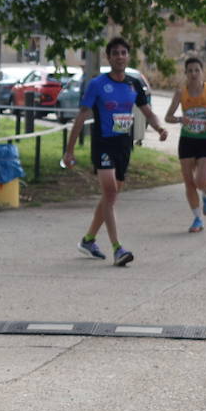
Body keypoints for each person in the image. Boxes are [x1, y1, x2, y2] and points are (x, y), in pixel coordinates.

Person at [61, 36, 169, 266]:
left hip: (123, 146)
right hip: (103, 144)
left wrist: (159, 127)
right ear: (108, 57)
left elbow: (147, 111)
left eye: (123, 52)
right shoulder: (97, 84)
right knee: (110, 193)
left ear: (127, 56)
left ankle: (88, 239)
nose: (120, 56)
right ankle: (117, 249)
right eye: (115, 53)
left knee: (111, 197)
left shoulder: (133, 84)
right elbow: (81, 116)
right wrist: (69, 151)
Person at [163, 57, 206, 232]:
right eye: (190, 71)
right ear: (185, 73)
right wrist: (180, 119)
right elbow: (168, 117)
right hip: (187, 140)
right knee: (189, 182)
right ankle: (197, 219)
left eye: (197, 70)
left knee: (201, 181)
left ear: (202, 72)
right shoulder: (181, 93)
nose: (194, 74)